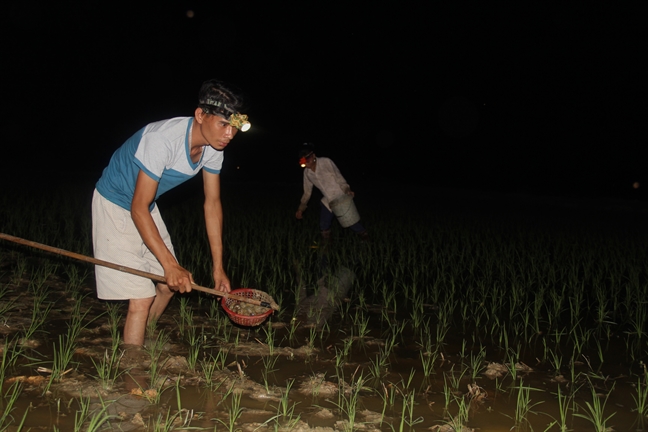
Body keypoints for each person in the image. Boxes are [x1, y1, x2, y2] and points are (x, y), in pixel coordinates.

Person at [92, 79, 251, 347]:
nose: (229, 135)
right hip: (115, 203)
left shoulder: (213, 149)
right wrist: (170, 264)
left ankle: (143, 337)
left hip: (145, 207)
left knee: (167, 286)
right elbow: (137, 207)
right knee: (142, 297)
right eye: (224, 124)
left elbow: (212, 204)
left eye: (234, 127)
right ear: (201, 115)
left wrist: (218, 268)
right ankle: (133, 375)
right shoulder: (163, 140)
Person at [295, 143, 368, 242]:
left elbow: (339, 178)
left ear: (313, 156)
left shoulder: (326, 162)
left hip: (340, 197)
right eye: (302, 162)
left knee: (351, 222)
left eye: (307, 160)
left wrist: (347, 190)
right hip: (328, 200)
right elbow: (307, 192)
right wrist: (301, 209)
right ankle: (327, 246)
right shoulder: (307, 173)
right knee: (323, 225)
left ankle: (365, 237)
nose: (306, 164)